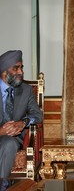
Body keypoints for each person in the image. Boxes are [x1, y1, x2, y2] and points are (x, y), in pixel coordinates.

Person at [0, 50, 43, 190]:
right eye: (16, 68)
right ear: (4, 72)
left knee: (8, 143)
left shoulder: (26, 90)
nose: (21, 72)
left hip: (14, 140)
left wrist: (23, 122)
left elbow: (38, 115)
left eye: (22, 67)